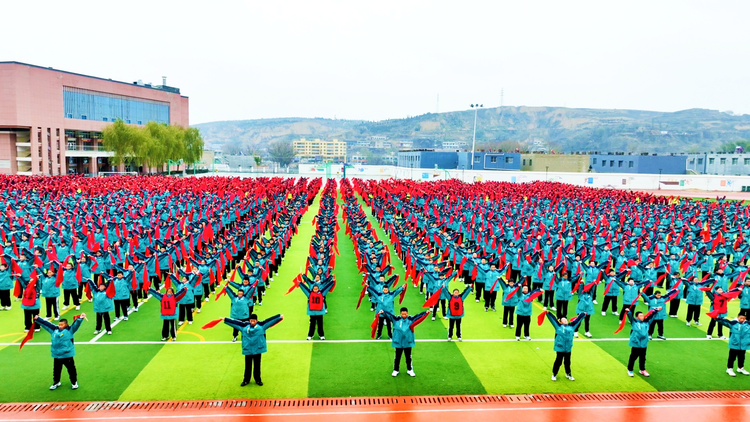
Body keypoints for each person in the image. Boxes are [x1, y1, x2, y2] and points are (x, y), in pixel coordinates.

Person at [224, 313, 284, 386]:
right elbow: (235, 323)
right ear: (249, 320)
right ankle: (246, 380)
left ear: (257, 320)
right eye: (251, 321)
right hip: (248, 349)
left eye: (254, 321)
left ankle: (258, 380)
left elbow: (270, 321)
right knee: (247, 366)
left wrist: (279, 317)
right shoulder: (244, 326)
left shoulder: (262, 326)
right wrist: (225, 319)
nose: (252, 322)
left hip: (258, 349)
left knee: (257, 366)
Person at [34, 314, 85, 390]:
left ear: (66, 324)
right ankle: (56, 382)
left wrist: (80, 318)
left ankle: (74, 382)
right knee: (56, 370)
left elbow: (76, 324)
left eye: (62, 325)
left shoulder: (70, 330)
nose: (60, 326)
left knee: (71, 370)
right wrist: (38, 319)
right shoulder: (54, 330)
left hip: (67, 355)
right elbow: (46, 324)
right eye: (59, 324)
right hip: (57, 355)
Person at [381, 307, 428, 377]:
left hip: (408, 341)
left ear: (407, 313)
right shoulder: (396, 319)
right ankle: (395, 370)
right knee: (397, 357)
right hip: (398, 342)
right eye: (402, 314)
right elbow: (389, 315)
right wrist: (383, 312)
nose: (404, 315)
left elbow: (418, 316)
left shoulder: (411, 319)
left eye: (405, 314)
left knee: (408, 357)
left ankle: (410, 370)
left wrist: (425, 313)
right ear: (400, 313)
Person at [543, 311, 587, 381]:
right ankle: (554, 374)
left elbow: (578, 320)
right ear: (560, 322)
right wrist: (548, 313)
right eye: (563, 319)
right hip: (560, 348)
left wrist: (583, 314)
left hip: (568, 348)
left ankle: (568, 374)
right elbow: (553, 319)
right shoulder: (558, 327)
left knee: (567, 362)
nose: (565, 320)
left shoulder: (572, 326)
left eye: (566, 319)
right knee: (558, 361)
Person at [625, 308, 659, 377]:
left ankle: (642, 369)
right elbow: (630, 316)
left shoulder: (647, 322)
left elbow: (652, 316)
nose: (642, 317)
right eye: (640, 316)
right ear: (637, 317)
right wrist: (628, 311)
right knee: (633, 357)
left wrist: (656, 310)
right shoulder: (634, 322)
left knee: (643, 357)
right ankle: (630, 370)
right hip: (636, 343)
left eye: (643, 315)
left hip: (644, 343)